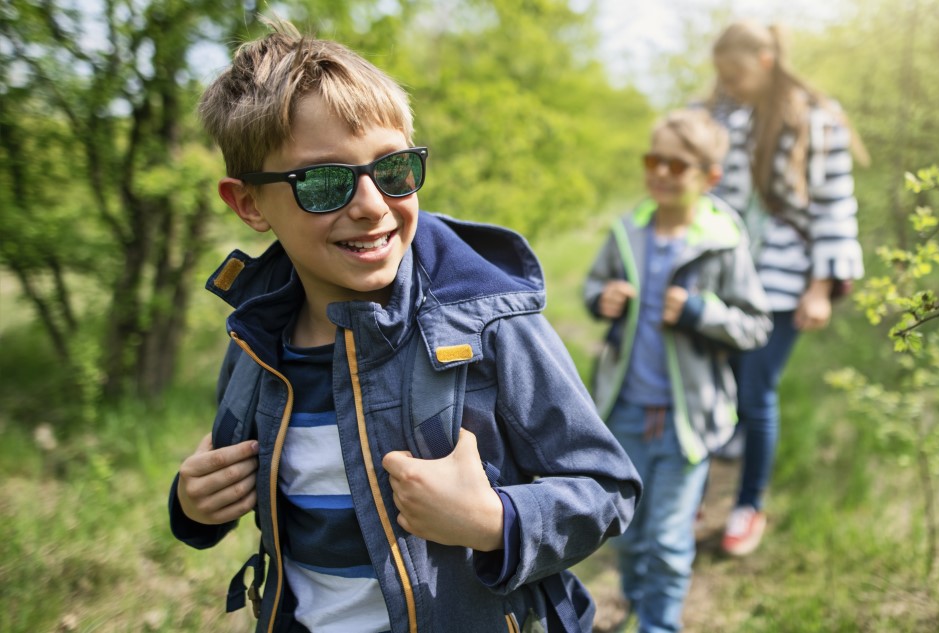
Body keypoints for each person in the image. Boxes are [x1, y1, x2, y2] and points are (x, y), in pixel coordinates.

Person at [167, 19, 641, 633]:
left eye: (392, 170)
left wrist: (494, 522)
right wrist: (193, 507)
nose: (369, 204)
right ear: (249, 203)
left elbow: (608, 489)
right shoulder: (255, 344)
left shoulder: (488, 323)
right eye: (324, 182)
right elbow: (241, 490)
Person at [583, 108, 771, 633]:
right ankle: (638, 605)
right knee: (630, 532)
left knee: (667, 537)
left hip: (689, 420)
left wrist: (699, 311)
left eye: (678, 165)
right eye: (653, 159)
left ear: (710, 177)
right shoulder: (628, 232)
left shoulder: (723, 239)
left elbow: (755, 325)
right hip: (623, 412)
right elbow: (593, 286)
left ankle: (659, 625)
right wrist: (605, 299)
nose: (661, 173)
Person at [705, 21, 870, 557]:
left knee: (757, 391)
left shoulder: (816, 116)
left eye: (737, 71)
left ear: (767, 59)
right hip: (724, 276)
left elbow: (834, 206)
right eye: (721, 72)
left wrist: (821, 288)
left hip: (782, 280)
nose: (728, 81)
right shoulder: (719, 114)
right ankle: (705, 484)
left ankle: (748, 505)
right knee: (720, 384)